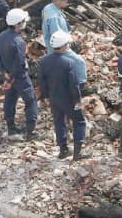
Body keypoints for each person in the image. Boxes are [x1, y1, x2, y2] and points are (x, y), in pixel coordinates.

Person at [39, 30, 88, 160]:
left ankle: (63, 150)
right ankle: (78, 152)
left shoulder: (44, 61)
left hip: (54, 98)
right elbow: (74, 85)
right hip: (69, 100)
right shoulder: (68, 62)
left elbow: (42, 81)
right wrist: (78, 100)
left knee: (59, 122)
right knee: (79, 121)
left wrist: (45, 97)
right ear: (64, 45)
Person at [0, 8, 38, 140]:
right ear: (17, 24)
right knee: (30, 101)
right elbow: (20, 62)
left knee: (9, 101)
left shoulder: (1, 36)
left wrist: (6, 75)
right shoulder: (19, 41)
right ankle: (30, 131)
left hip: (8, 75)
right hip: (20, 77)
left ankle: (11, 128)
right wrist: (13, 76)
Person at [42, 0, 87, 89]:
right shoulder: (53, 16)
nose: (67, 1)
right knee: (79, 62)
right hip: (60, 47)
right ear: (57, 1)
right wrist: (67, 42)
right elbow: (56, 35)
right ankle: (81, 85)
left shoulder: (49, 8)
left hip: (55, 45)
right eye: (64, 0)